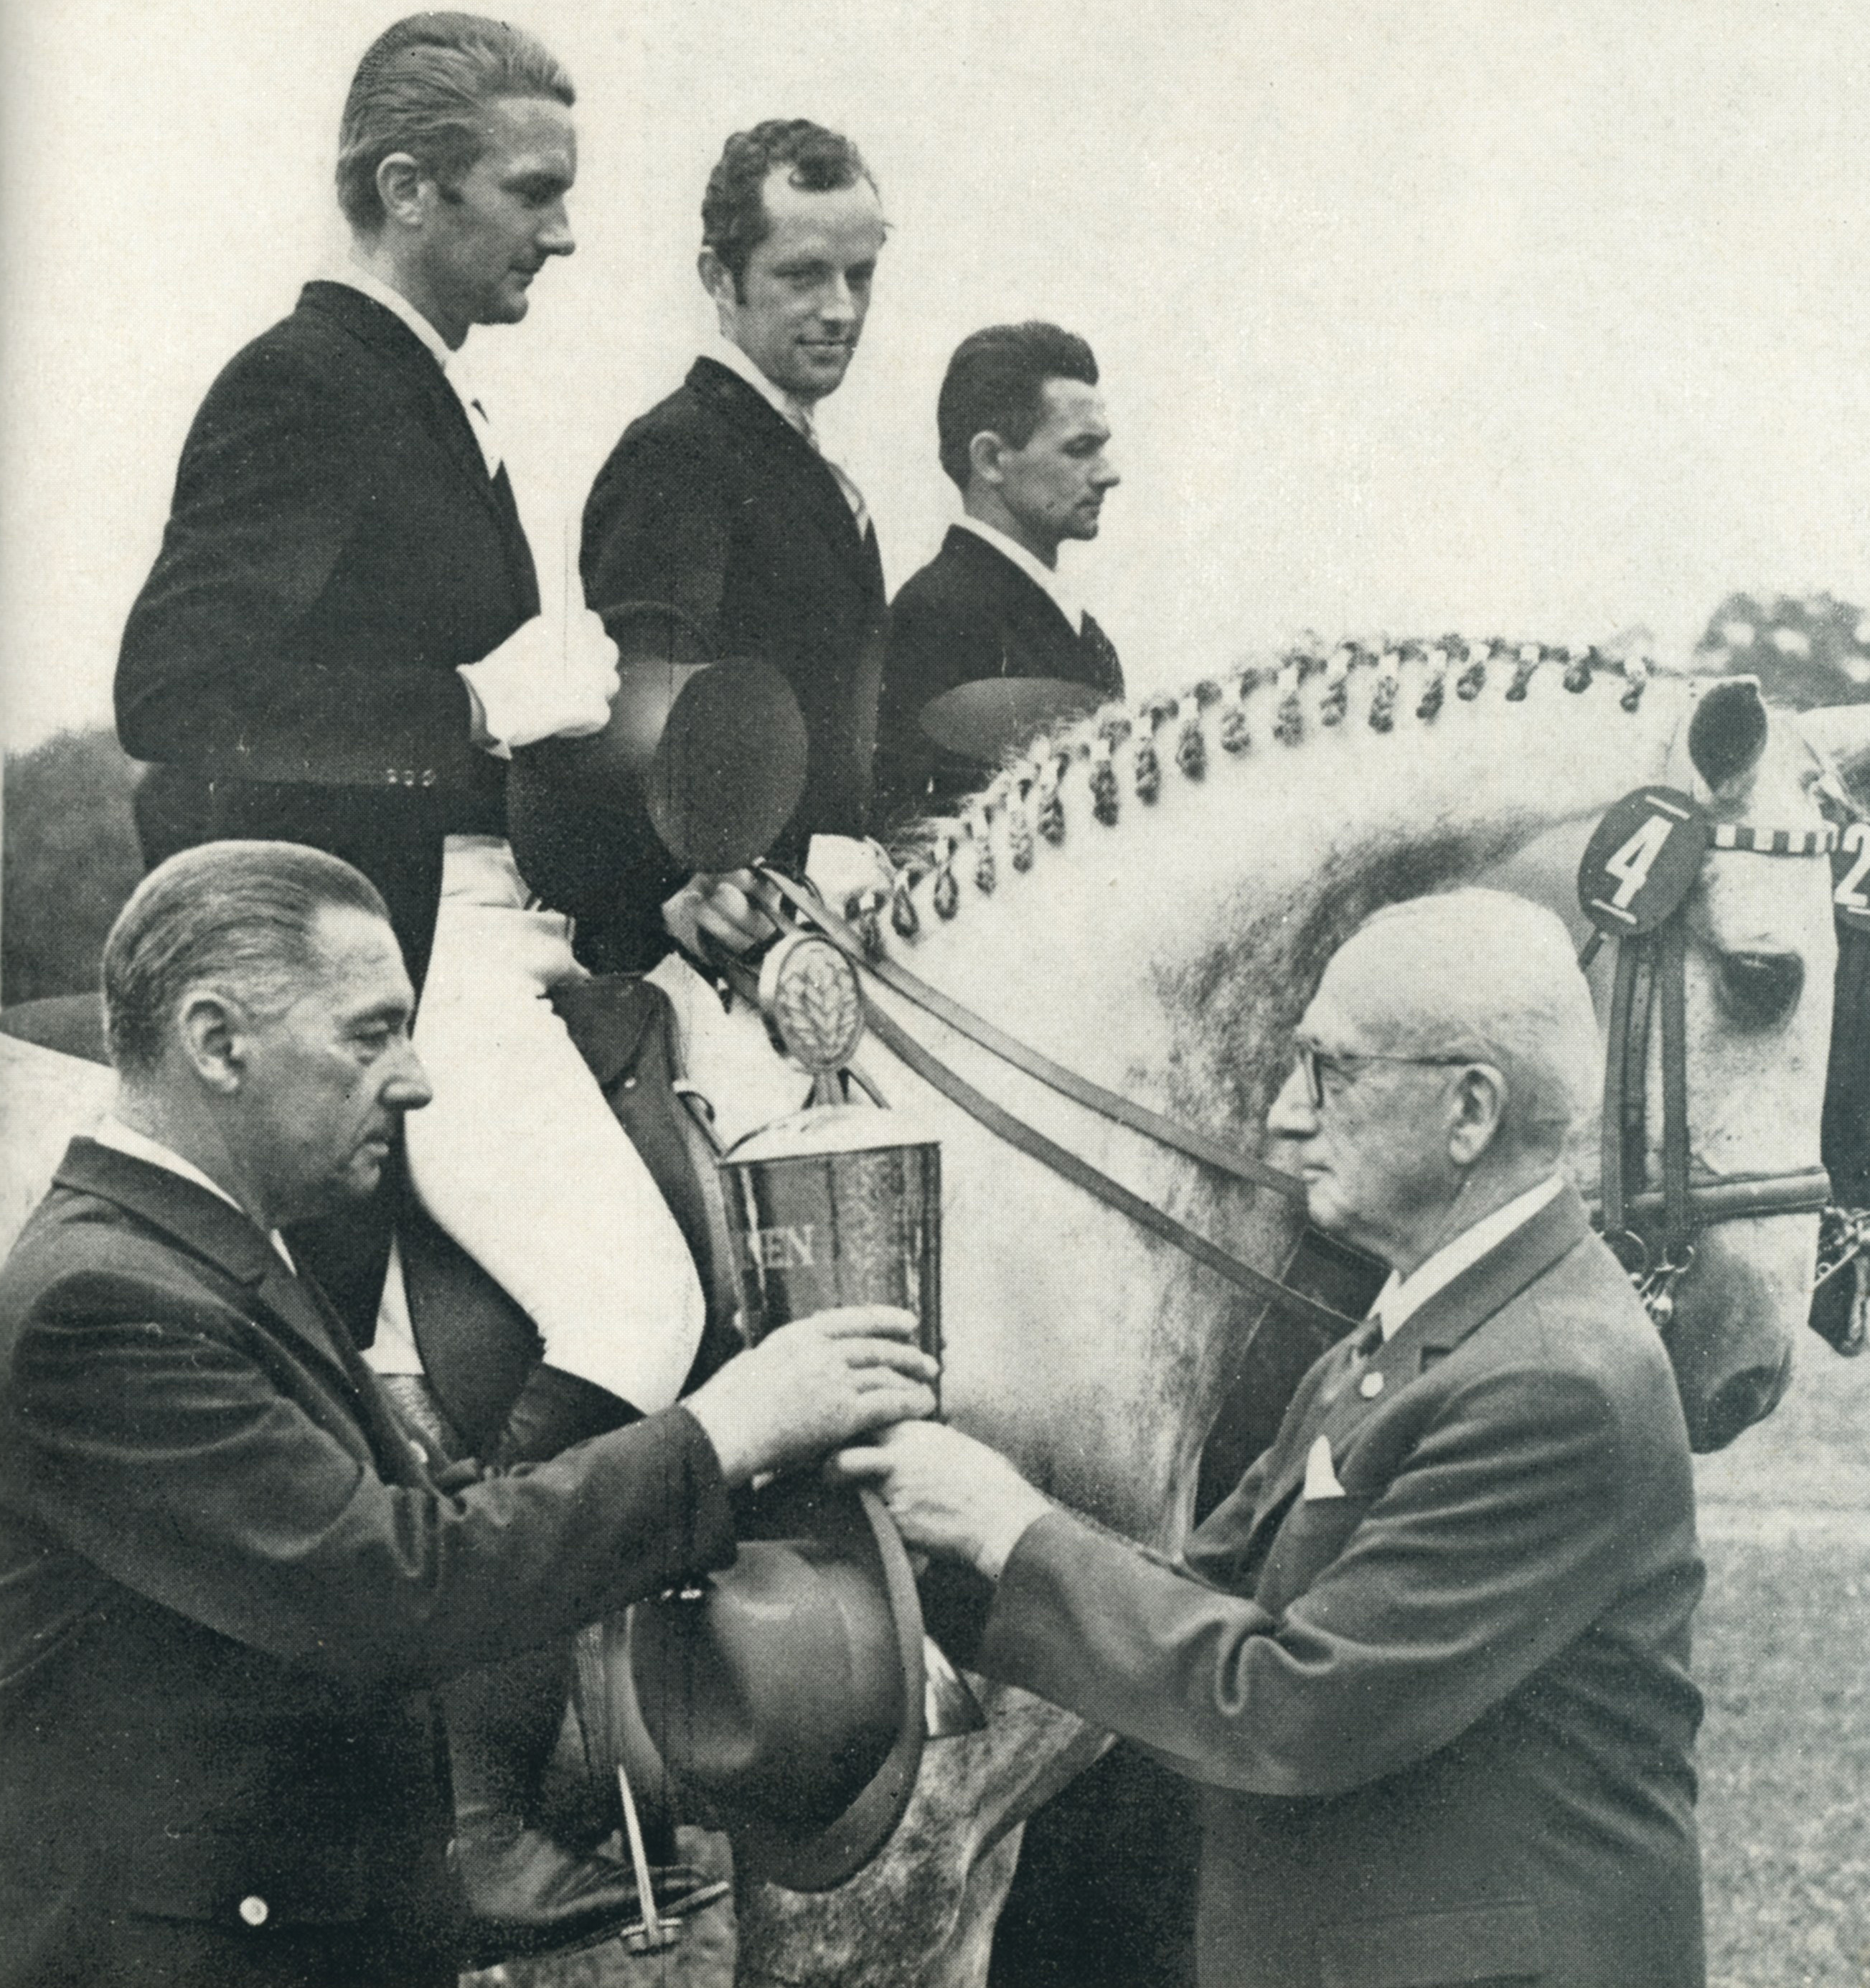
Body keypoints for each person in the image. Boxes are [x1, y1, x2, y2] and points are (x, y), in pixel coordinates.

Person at [108, 14, 712, 1934]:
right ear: (406, 189)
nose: (562, 235)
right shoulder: (304, 380)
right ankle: (469, 1776)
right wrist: (465, 710)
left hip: (505, 913)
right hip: (401, 945)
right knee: (641, 1294)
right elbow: (177, 697)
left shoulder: (439, 388)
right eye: (534, 195)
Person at [0, 842, 936, 1988]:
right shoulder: (103, 1303)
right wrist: (720, 1431)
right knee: (637, 1301)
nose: (418, 1078)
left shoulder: (205, 1259)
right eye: (368, 1032)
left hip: (285, 1944)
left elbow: (413, 1517)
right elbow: (395, 1586)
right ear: (214, 1041)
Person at [843, 891, 1709, 1988]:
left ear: (1470, 1110)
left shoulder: (1550, 1382)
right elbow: (1199, 1597)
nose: (1283, 1118)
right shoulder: (1426, 1325)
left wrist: (1008, 1524)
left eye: (1328, 1072)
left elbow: (1289, 1710)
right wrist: (921, 1571)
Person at [578, 118, 891, 973]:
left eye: (859, 275)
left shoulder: (794, 459)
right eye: (802, 276)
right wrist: (676, 878)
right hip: (711, 958)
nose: (841, 308)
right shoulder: (679, 451)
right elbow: (638, 702)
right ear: (720, 278)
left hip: (811, 947)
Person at [875, 322, 1125, 824]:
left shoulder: (1088, 637)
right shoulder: (934, 615)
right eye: (1080, 449)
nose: (1108, 473)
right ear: (991, 459)